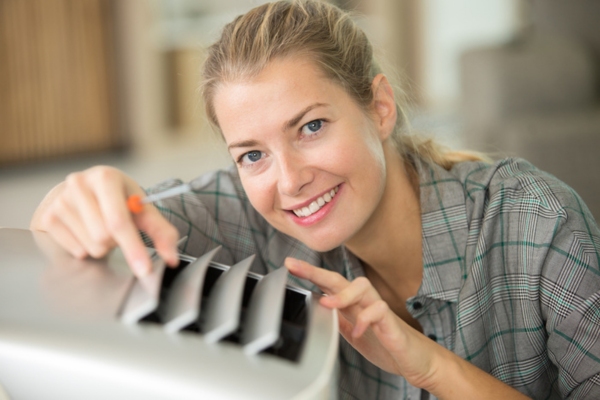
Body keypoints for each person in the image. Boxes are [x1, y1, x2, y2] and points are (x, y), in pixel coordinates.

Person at [30, 1, 600, 399]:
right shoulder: (245, 213)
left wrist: (432, 368)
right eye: (252, 154)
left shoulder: (535, 222)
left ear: (379, 107)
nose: (289, 181)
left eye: (311, 127)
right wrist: (76, 204)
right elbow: (76, 247)